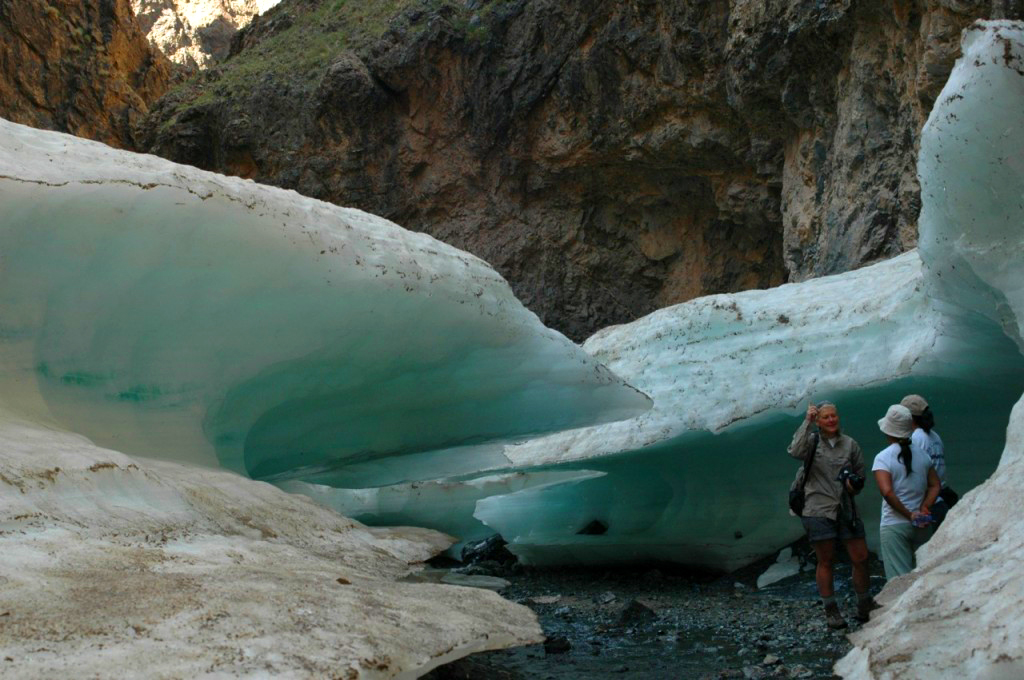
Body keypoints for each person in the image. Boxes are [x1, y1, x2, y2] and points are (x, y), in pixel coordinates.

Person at [789, 401, 877, 629]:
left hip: (846, 508)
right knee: (826, 560)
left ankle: (864, 604)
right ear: (819, 421)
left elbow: (860, 475)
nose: (831, 420)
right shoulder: (811, 442)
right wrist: (806, 422)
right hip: (818, 508)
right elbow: (794, 451)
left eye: (833, 416)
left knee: (860, 557)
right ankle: (831, 610)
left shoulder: (850, 444)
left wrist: (853, 485)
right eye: (825, 417)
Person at [871, 404, 941, 579]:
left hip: (895, 524)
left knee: (899, 580)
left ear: (888, 431)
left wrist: (909, 514)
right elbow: (935, 485)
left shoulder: (883, 457)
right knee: (924, 575)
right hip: (922, 524)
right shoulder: (922, 455)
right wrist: (924, 507)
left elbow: (887, 493)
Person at [901, 394, 956, 525]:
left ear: (909, 417)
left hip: (929, 503)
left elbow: (916, 475)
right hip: (943, 497)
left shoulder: (916, 439)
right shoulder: (935, 436)